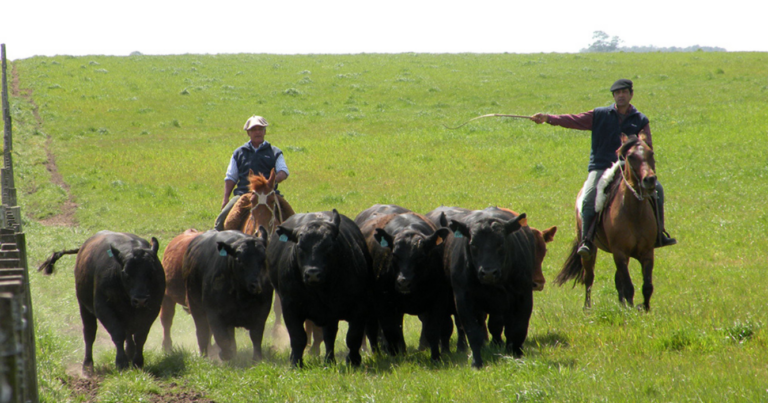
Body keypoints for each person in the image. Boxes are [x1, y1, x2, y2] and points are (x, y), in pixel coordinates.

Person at [531, 78, 676, 257]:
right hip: (602, 166)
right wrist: (548, 118)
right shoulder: (599, 114)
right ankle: (586, 239)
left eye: (624, 92)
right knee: (589, 196)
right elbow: (574, 120)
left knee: (658, 190)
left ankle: (659, 233)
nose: (620, 95)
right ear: (613, 96)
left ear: (631, 94)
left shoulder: (640, 119)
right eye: (617, 93)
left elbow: (647, 145)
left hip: (629, 166)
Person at [214, 115, 289, 231]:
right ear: (248, 133)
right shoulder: (239, 153)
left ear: (265, 131)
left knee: (292, 221)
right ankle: (217, 243)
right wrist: (226, 198)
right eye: (253, 130)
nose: (257, 132)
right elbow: (231, 177)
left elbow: (283, 171)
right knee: (222, 221)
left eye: (260, 129)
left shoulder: (275, 152)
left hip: (269, 194)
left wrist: (272, 181)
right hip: (245, 194)